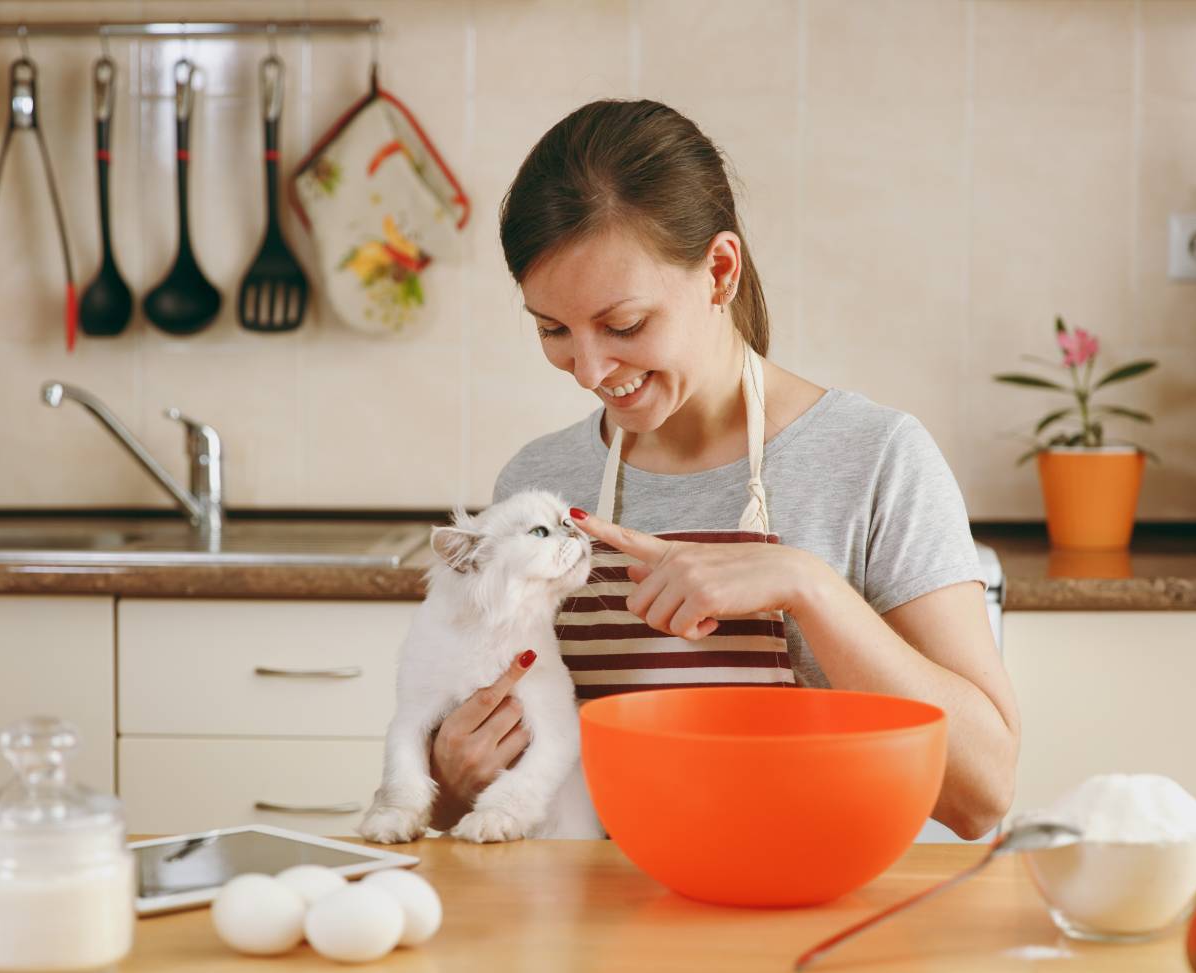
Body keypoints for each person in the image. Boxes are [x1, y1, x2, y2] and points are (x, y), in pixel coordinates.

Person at [428, 99, 1019, 841]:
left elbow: (983, 793)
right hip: (590, 931)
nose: (587, 367)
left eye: (623, 325)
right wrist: (454, 779)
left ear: (718, 270)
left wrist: (807, 587)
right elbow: (483, 797)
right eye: (552, 329)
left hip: (802, 932)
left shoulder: (875, 459)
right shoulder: (538, 482)